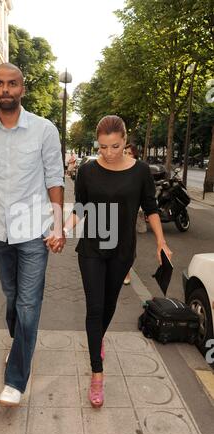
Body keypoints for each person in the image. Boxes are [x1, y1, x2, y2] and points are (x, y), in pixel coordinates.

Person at [48, 115, 172, 408]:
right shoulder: (88, 171)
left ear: (125, 142)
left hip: (122, 250)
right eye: (102, 146)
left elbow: (151, 208)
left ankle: (97, 338)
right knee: (94, 308)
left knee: (110, 304)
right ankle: (97, 374)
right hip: (91, 247)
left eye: (114, 146)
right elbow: (81, 207)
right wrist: (63, 230)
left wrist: (161, 241)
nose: (108, 153)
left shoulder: (140, 171)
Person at [0, 63, 65, 407]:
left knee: (28, 303)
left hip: (34, 231)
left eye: (12, 84)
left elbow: (55, 179)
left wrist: (57, 226)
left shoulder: (43, 130)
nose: (5, 89)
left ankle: (15, 379)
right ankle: (21, 348)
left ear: (22, 89)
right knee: (12, 299)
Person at [123, 143, 147, 285]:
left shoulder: (139, 171)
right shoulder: (118, 168)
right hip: (116, 213)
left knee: (128, 246)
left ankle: (126, 272)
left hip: (131, 215)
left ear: (135, 155)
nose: (126, 155)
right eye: (124, 152)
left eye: (129, 153)